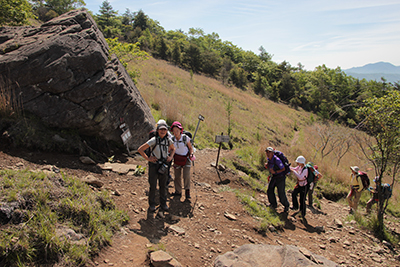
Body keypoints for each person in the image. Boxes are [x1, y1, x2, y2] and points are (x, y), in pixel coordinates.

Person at [138, 119, 175, 212]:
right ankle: (152, 205)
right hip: (154, 165)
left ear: (167, 131)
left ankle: (163, 204)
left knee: (163, 186)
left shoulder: (168, 140)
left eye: (164, 130)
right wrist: (148, 158)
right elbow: (140, 149)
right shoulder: (153, 140)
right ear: (157, 130)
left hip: (164, 165)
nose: (163, 131)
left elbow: (173, 149)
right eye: (161, 129)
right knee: (153, 186)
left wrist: (170, 157)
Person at [170, 121, 194, 201]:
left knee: (186, 176)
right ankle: (178, 191)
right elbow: (170, 149)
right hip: (177, 159)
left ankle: (187, 192)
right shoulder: (172, 139)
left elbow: (190, 147)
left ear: (181, 130)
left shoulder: (185, 138)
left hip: (186, 159)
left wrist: (191, 154)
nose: (176, 133)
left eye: (177, 131)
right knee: (177, 176)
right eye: (174, 131)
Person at [264, 147, 290, 212]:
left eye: (269, 152)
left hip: (280, 178)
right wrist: (267, 165)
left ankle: (286, 205)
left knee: (281, 193)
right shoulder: (269, 159)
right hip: (274, 177)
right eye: (267, 152)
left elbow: (283, 169)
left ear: (273, 153)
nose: (268, 153)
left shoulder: (277, 160)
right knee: (270, 190)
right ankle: (273, 204)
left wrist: (275, 172)